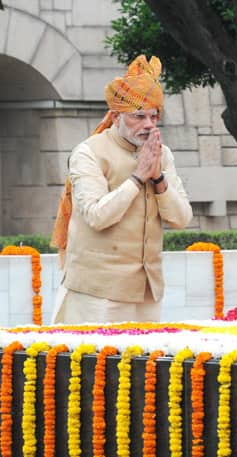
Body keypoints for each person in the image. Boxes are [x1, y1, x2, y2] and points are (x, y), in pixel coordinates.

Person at [49, 55, 193, 324]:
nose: (149, 124)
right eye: (139, 116)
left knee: (145, 365)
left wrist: (158, 177)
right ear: (116, 117)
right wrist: (138, 178)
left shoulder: (162, 155)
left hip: (148, 290)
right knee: (97, 365)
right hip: (98, 293)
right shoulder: (89, 152)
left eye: (153, 116)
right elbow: (97, 216)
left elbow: (182, 218)